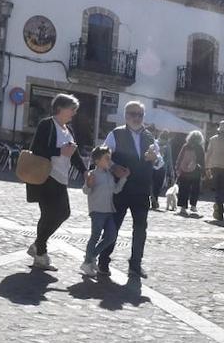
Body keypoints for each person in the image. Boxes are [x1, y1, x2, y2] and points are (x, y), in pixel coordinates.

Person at [99, 101, 164, 278]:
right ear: (126, 115)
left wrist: (155, 159)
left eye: (140, 115)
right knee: (113, 227)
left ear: (143, 117)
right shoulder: (115, 134)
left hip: (142, 190)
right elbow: (102, 156)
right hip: (120, 189)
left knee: (141, 228)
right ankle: (103, 261)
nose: (136, 117)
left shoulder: (150, 137)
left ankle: (135, 264)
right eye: (132, 114)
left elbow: (160, 163)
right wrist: (113, 167)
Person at [27, 93, 86, 270]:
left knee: (63, 213)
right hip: (45, 176)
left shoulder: (69, 130)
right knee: (49, 214)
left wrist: (85, 172)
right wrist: (60, 151)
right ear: (60, 108)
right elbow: (36, 149)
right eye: (72, 109)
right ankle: (40, 254)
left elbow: (74, 154)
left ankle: (38, 245)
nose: (74, 113)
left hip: (61, 178)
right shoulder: (47, 125)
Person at [80, 145, 128, 277]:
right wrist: (88, 184)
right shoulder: (93, 174)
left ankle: (91, 257)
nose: (109, 161)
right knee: (95, 236)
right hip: (97, 211)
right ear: (97, 161)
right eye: (107, 159)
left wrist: (124, 178)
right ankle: (87, 262)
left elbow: (116, 190)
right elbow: (86, 190)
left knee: (111, 236)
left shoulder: (109, 175)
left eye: (110, 159)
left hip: (109, 211)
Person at [205, 121, 224, 221]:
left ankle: (219, 208)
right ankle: (219, 208)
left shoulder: (213, 139)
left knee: (218, 189)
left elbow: (208, 153)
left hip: (215, 167)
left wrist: (206, 167)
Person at [176, 130, 206, 215]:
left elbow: (180, 157)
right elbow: (202, 161)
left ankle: (183, 207)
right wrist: (203, 172)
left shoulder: (185, 146)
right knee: (195, 189)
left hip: (184, 170)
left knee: (183, 189)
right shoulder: (199, 147)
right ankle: (193, 206)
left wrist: (177, 168)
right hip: (195, 171)